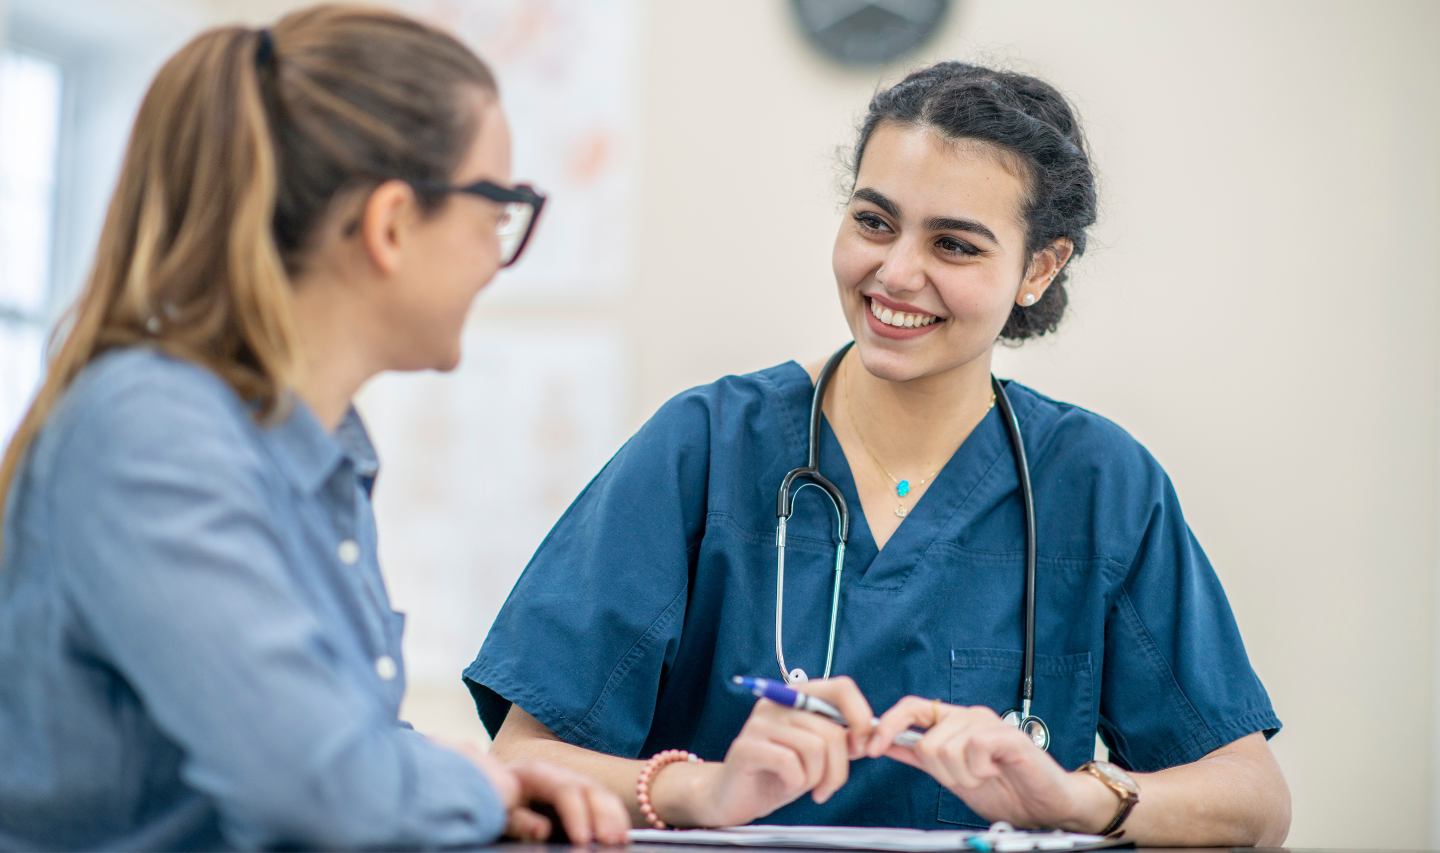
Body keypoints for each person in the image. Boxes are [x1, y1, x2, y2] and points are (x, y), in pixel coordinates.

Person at [466, 62, 1291, 845]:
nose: (896, 272)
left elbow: (1255, 798)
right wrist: (702, 790)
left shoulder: (1099, 482)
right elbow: (522, 757)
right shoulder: (707, 446)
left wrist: (1079, 797)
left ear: (1039, 268)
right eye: (873, 221)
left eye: (955, 245)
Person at [0, 6, 630, 850]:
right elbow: (317, 790)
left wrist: (492, 778)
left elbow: (322, 739)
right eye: (498, 205)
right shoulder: (151, 433)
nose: (496, 250)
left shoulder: (321, 451)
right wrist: (472, 782)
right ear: (393, 223)